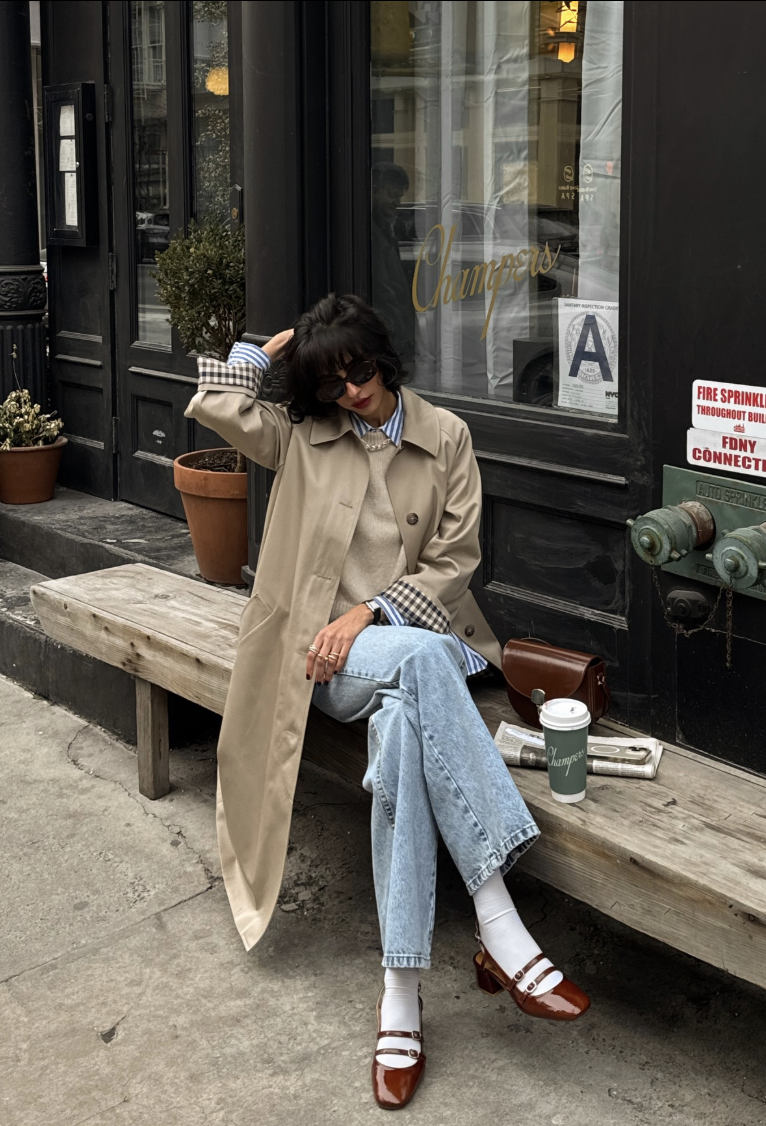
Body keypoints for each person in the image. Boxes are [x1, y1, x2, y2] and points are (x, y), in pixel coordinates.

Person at [184, 294, 589, 1111]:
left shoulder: (448, 437)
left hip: (408, 641)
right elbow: (216, 406)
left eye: (361, 370)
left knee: (409, 715)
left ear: (385, 358)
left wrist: (369, 611)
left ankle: (400, 994)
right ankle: (500, 923)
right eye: (331, 383)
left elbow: (455, 561)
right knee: (426, 667)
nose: (352, 392)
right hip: (321, 659)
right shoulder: (301, 434)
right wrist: (265, 354)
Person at [371, 162, 416, 367]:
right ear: (374, 191)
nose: (397, 202)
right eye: (392, 195)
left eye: (399, 196)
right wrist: (402, 335)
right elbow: (385, 290)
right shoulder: (372, 233)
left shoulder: (384, 228)